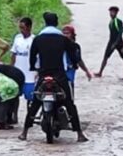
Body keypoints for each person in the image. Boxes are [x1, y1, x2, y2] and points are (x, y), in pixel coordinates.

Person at [18, 12, 88, 142]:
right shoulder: (63, 39)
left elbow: (32, 56)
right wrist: (74, 65)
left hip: (44, 74)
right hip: (59, 75)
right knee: (69, 103)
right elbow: (73, 54)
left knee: (36, 102)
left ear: (45, 23)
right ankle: (79, 133)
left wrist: (33, 67)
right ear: (56, 23)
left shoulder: (38, 39)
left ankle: (24, 132)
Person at [10, 17, 36, 123]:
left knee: (30, 97)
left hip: (30, 73)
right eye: (20, 28)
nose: (21, 30)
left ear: (29, 27)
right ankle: (14, 115)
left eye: (23, 28)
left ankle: (30, 116)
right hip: (18, 71)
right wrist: (11, 67)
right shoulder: (17, 38)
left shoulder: (34, 40)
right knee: (15, 95)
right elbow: (13, 54)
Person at [62, 24, 92, 96]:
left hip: (70, 70)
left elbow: (79, 60)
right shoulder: (58, 45)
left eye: (67, 33)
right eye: (64, 33)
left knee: (70, 87)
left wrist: (86, 71)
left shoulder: (75, 46)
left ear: (72, 35)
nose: (65, 35)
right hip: (60, 69)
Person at [95, 6, 123, 77]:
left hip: (118, 42)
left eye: (113, 12)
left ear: (116, 13)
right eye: (110, 12)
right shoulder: (111, 22)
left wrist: (116, 43)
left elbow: (120, 33)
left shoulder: (118, 21)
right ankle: (100, 72)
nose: (111, 13)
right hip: (111, 42)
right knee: (105, 56)